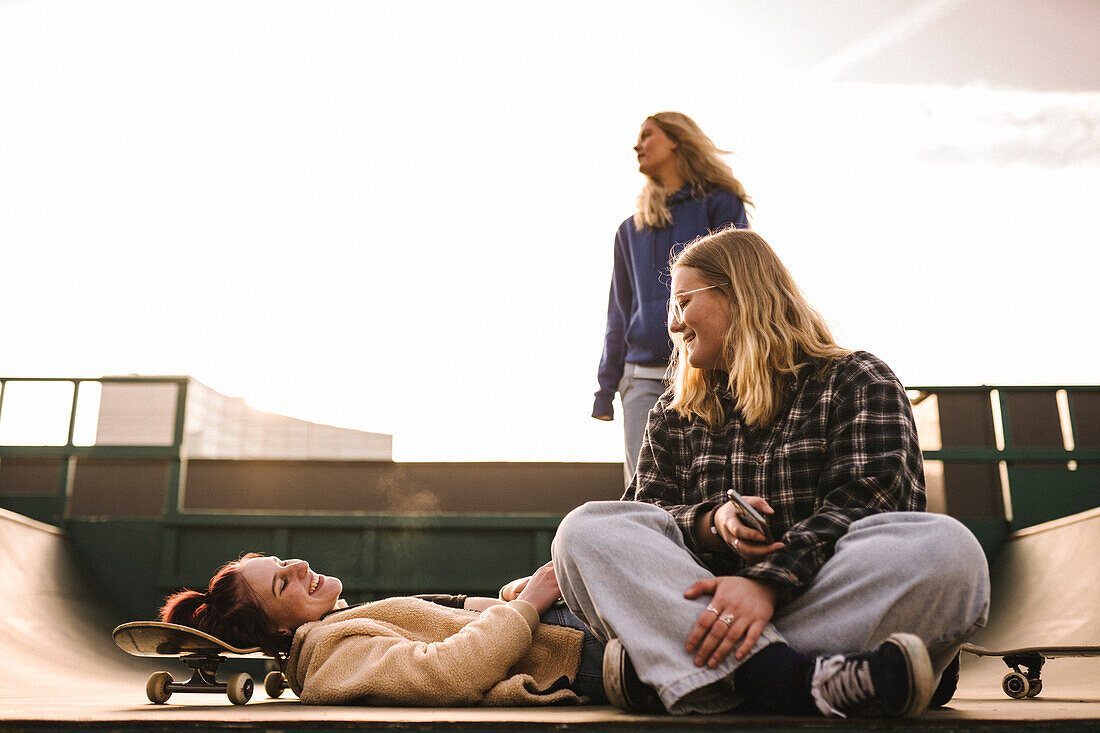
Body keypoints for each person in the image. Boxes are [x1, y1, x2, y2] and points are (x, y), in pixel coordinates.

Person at [557, 228, 991, 717]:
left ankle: (681, 676)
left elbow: (872, 503)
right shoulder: (674, 412)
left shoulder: (857, 380)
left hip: (818, 600)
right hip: (706, 608)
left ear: (741, 295)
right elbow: (642, 516)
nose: (673, 324)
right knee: (586, 529)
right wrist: (710, 522)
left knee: (948, 550)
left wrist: (766, 584)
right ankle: (803, 680)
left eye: (682, 301)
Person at [160, 555, 605, 706]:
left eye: (280, 561)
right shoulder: (328, 657)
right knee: (584, 529)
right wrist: (528, 606)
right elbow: (447, 672)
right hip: (580, 652)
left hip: (568, 627)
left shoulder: (339, 622)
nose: (298, 566)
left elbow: (448, 612)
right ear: (276, 629)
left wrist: (513, 595)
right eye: (283, 582)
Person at [594, 111, 752, 483]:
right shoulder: (628, 231)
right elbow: (618, 313)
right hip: (642, 378)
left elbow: (741, 281)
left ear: (676, 140)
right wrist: (605, 388)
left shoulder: (720, 204)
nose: (638, 144)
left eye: (648, 135)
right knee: (644, 490)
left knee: (717, 480)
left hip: (711, 373)